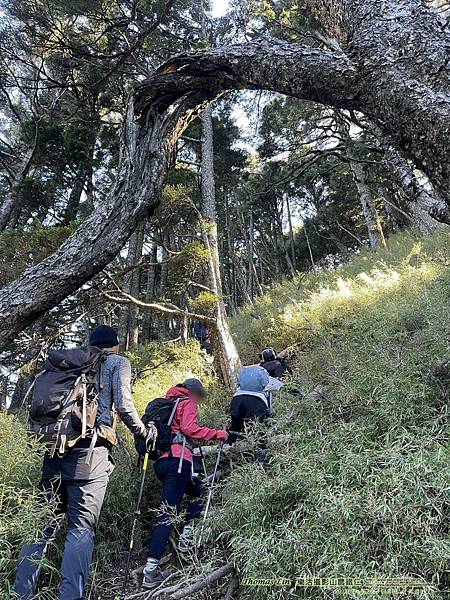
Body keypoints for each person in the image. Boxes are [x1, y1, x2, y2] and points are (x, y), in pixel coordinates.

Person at [14, 325, 149, 600]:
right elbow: (123, 404)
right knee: (80, 529)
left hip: (53, 452)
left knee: (41, 526)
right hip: (89, 457)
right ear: (116, 345)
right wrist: (143, 432)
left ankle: (21, 594)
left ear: (90, 344)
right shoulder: (116, 362)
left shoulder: (70, 364)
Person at [143, 378, 227, 588]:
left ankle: (186, 535)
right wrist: (219, 434)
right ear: (193, 392)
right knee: (168, 512)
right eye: (199, 395)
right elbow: (190, 429)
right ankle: (151, 570)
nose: (199, 399)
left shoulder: (169, 404)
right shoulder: (187, 402)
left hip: (162, 463)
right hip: (178, 463)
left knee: (202, 491)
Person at [228, 365, 282, 463]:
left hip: (236, 401)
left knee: (234, 428)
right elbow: (288, 388)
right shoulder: (269, 380)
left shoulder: (242, 383)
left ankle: (228, 449)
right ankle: (259, 465)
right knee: (260, 435)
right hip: (256, 402)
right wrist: (303, 396)